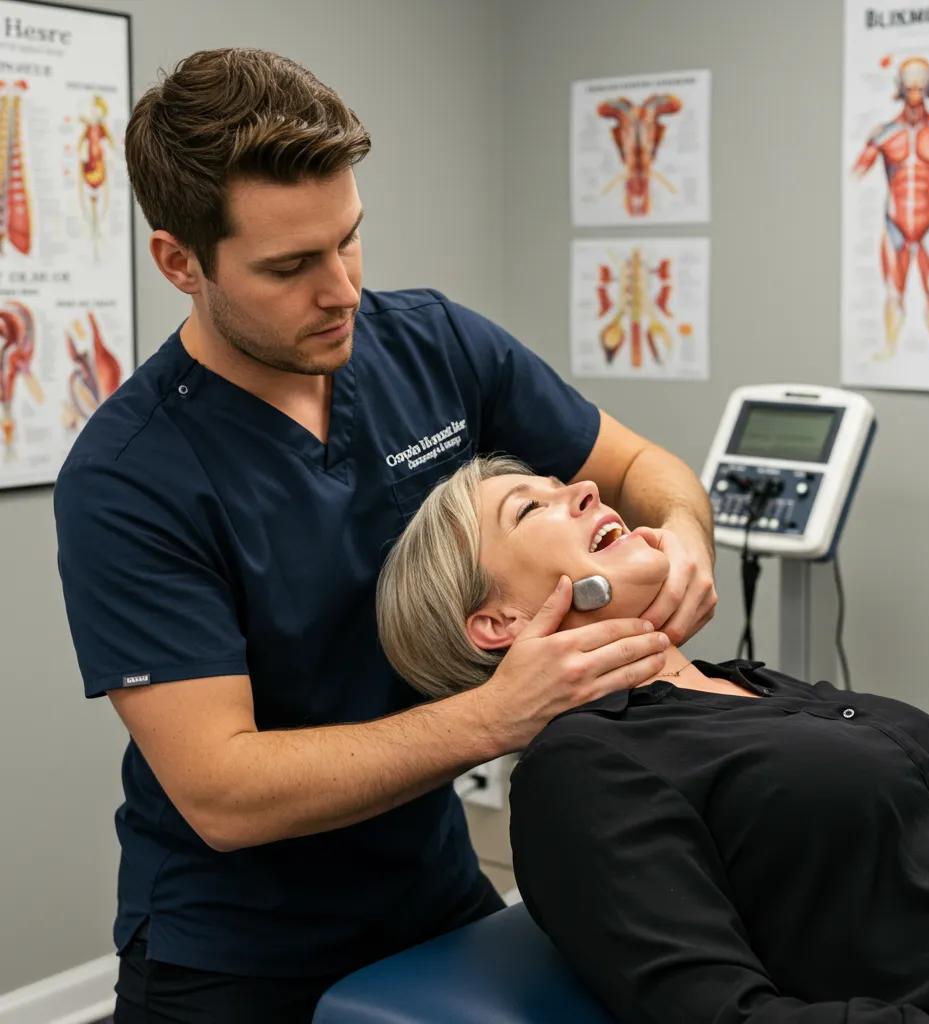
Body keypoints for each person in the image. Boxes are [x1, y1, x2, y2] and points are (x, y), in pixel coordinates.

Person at [52, 48, 718, 1023]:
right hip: (235, 945)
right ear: (179, 261)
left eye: (349, 240)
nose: (342, 290)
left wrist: (686, 535)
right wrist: (501, 714)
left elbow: (639, 469)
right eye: (289, 266)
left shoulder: (434, 345)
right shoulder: (130, 478)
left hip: (429, 884)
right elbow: (223, 790)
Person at [376, 455, 929, 1023]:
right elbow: (719, 1013)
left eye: (561, 484)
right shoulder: (583, 768)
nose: (585, 490)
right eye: (530, 509)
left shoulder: (747, 684)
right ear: (499, 622)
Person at [851, 56, 929, 364]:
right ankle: (891, 350)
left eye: (921, 85)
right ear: (900, 87)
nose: (915, 93)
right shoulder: (883, 134)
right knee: (893, 291)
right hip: (895, 221)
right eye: (909, 85)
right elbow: (856, 172)